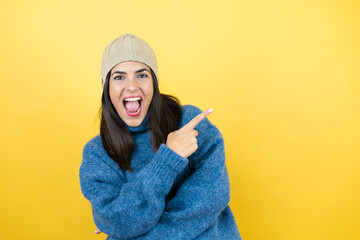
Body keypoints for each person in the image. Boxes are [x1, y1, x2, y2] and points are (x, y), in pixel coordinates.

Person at [79, 33, 241, 240]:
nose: (131, 86)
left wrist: (131, 231)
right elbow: (118, 219)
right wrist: (168, 159)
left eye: (142, 75)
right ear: (106, 87)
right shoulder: (97, 154)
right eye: (119, 77)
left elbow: (210, 197)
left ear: (154, 83)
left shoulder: (188, 123)